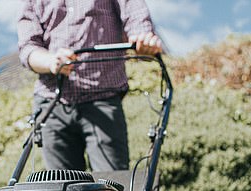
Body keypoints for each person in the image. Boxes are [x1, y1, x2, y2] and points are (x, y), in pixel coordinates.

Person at [17, 0, 162, 171]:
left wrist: (142, 37)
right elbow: (28, 48)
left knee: (110, 186)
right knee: (61, 189)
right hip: (52, 103)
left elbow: (135, 15)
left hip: (103, 98)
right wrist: (51, 61)